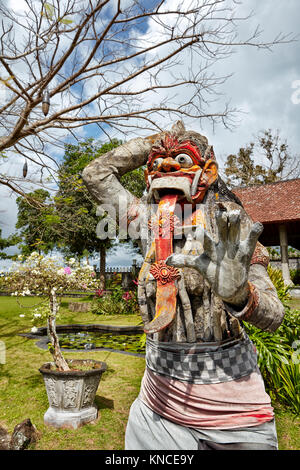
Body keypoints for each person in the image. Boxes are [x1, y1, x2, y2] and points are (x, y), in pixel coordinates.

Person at [82, 121, 285, 450]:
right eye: (158, 166)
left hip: (233, 413)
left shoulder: (230, 223)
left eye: (182, 162)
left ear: (208, 172)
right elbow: (95, 174)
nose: (167, 169)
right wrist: (155, 144)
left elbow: (275, 316)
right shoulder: (148, 223)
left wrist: (239, 295)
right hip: (157, 408)